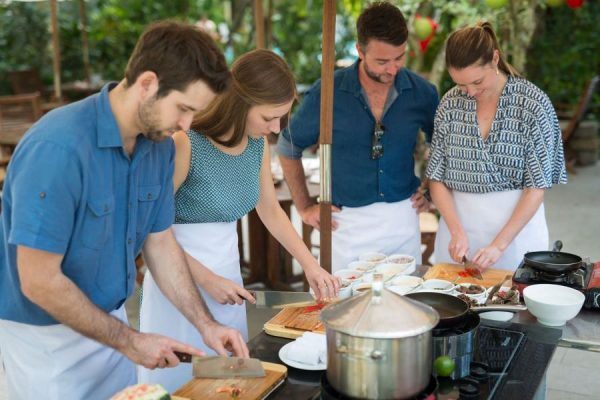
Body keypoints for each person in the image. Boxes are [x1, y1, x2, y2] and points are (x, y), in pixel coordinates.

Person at [0, 21, 249, 399]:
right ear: (147, 84)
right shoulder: (57, 147)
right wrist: (130, 341)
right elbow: (38, 280)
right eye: (182, 109)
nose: (186, 125)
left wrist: (206, 324)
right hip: (45, 340)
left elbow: (161, 244)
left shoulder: (160, 147)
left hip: (110, 324)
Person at [138, 49, 340, 392]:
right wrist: (207, 279)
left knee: (227, 386)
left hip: (229, 283)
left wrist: (311, 265)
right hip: (175, 283)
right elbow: (147, 228)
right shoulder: (186, 143)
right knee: (177, 384)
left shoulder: (257, 145)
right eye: (268, 118)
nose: (276, 128)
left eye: (282, 118)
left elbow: (270, 210)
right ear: (239, 102)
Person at [277, 1, 439, 273]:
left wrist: (431, 191)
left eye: (399, 58)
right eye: (382, 61)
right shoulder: (328, 90)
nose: (392, 69)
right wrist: (304, 206)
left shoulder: (423, 92)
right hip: (345, 223)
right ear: (360, 50)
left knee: (405, 308)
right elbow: (288, 146)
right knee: (348, 308)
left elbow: (443, 146)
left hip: (403, 218)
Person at [425, 22, 567, 271]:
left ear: (495, 58)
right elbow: (436, 178)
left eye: (477, 82)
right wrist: (456, 232)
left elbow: (536, 187)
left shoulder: (533, 104)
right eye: (460, 84)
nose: (469, 92)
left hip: (515, 236)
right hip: (458, 232)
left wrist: (499, 245)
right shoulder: (449, 104)